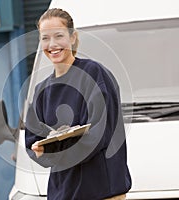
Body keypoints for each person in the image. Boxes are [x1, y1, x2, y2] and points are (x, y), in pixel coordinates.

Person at [25, 8, 132, 200]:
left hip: (100, 191)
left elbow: (99, 133)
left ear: (73, 37)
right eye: (45, 38)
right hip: (62, 193)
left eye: (59, 36)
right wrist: (42, 151)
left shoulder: (94, 74)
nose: (52, 44)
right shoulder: (42, 90)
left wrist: (54, 149)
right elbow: (32, 139)